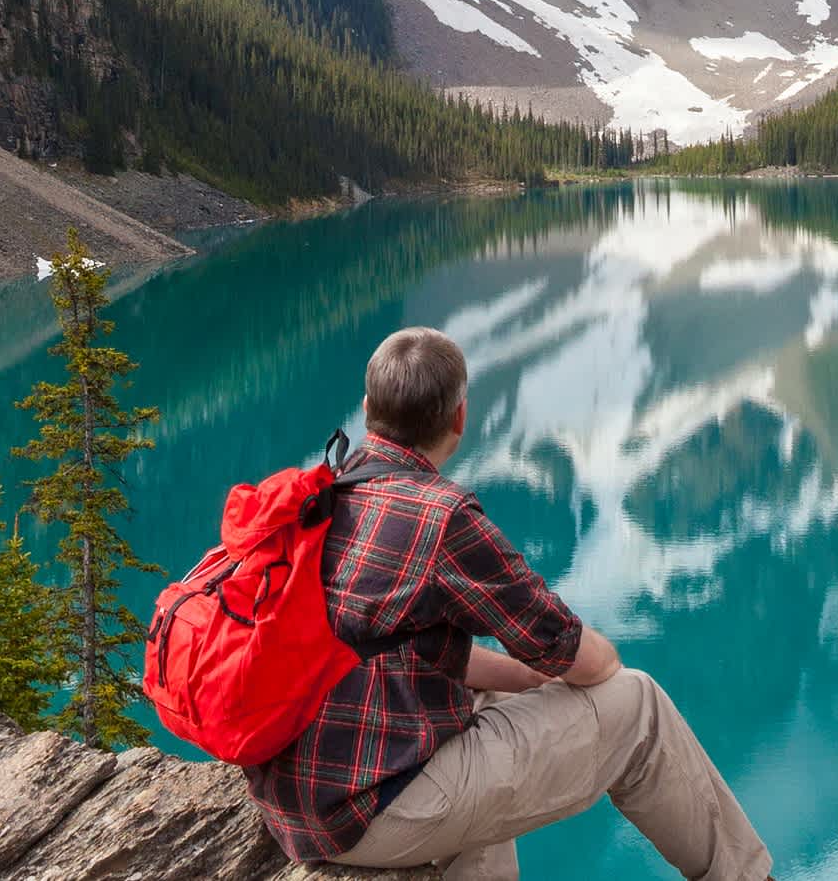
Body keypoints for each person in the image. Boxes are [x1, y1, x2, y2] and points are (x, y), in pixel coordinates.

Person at [246, 326, 772, 881]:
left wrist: (527, 681)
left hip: (293, 799)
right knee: (638, 704)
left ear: (368, 408)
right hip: (368, 812)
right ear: (459, 418)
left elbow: (387, 648)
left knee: (492, 698)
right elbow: (578, 654)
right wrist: (582, 671)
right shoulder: (440, 517)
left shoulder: (323, 498)